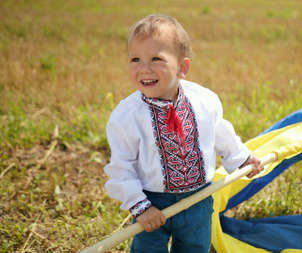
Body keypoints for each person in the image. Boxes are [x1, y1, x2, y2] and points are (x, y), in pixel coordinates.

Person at [104, 14, 263, 253]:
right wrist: (140, 206)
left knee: (195, 247)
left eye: (156, 59)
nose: (143, 69)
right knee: (148, 249)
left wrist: (241, 159)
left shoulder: (203, 100)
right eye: (135, 59)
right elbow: (122, 166)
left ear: (183, 67)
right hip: (152, 202)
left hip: (198, 198)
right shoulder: (127, 116)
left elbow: (220, 131)